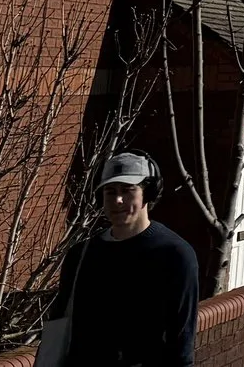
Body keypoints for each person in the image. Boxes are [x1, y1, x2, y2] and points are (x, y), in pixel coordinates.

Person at [55, 153, 200, 367]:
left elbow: (181, 343)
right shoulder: (81, 254)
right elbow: (60, 325)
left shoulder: (174, 255)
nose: (117, 200)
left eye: (127, 190)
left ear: (148, 193)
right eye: (110, 192)